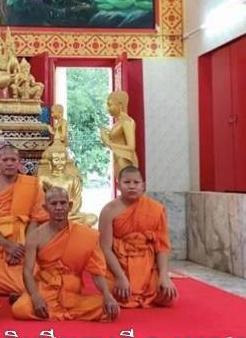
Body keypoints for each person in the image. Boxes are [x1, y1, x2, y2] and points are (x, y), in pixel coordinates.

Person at [12, 187, 119, 321]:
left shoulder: (86, 235)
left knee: (109, 309)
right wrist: (35, 296)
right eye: (53, 204)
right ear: (45, 208)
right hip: (46, 289)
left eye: (63, 203)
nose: (59, 207)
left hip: (72, 293)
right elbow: (27, 271)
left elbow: (96, 272)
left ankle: (54, 311)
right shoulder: (35, 236)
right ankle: (42, 304)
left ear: (70, 206)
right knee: (21, 309)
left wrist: (107, 295)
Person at [99, 165, 178, 308]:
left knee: (168, 296)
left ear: (143, 186)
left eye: (136, 182)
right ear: (118, 185)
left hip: (147, 265)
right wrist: (120, 277)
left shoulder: (155, 209)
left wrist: (164, 276)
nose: (132, 186)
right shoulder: (109, 210)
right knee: (115, 293)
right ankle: (124, 285)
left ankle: (148, 286)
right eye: (127, 182)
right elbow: (105, 248)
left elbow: (162, 246)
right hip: (120, 265)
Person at [0, 144, 49, 299]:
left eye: (13, 159)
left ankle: (21, 290)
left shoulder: (32, 185)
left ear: (19, 162)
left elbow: (36, 219)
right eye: (5, 160)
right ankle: (21, 292)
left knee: (32, 279)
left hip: (24, 243)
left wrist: (22, 247)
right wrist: (7, 245)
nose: (9, 163)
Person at [100, 90, 139, 179]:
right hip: (117, 158)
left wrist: (108, 142)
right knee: (121, 184)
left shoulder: (127, 122)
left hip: (125, 160)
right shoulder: (117, 123)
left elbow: (131, 147)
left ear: (120, 105)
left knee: (127, 184)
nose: (108, 108)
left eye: (110, 105)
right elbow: (116, 143)